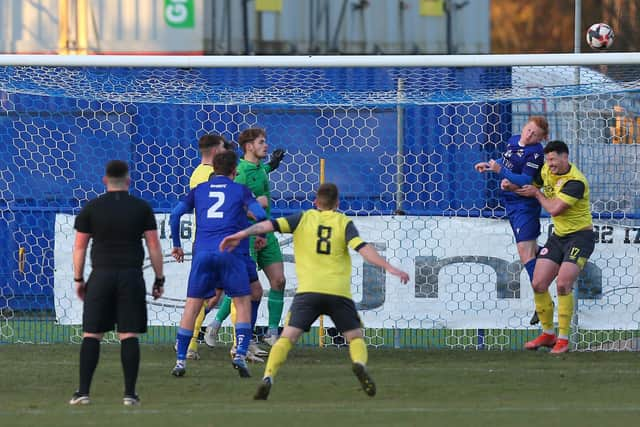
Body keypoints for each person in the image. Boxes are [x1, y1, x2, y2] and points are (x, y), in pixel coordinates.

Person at [219, 183, 410, 400]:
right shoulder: (343, 222)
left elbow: (266, 226)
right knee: (355, 337)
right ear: (337, 204)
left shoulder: (302, 218)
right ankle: (358, 364)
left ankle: (268, 377)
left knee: (287, 338)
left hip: (308, 293)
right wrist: (390, 268)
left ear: (315, 202)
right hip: (338, 293)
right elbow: (363, 248)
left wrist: (241, 234)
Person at [69, 160, 165, 406]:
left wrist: (79, 279)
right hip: (131, 276)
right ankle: (130, 394)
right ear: (128, 181)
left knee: (92, 334)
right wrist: (159, 278)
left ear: (105, 180)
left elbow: (79, 247)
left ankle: (82, 393)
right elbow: (153, 245)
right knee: (128, 334)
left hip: (101, 276)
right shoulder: (141, 208)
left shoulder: (92, 208)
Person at [170, 150, 267, 378]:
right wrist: (260, 233)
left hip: (203, 253)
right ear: (235, 170)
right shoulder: (240, 190)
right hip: (231, 253)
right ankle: (240, 354)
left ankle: (181, 360)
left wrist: (177, 244)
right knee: (243, 302)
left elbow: (175, 215)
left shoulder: (199, 190)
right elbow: (260, 214)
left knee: (192, 306)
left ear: (213, 170)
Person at [205, 127, 286, 346]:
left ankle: (271, 333)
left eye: (265, 141)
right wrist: (255, 206)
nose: (266, 145)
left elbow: (261, 173)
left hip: (265, 232)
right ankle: (217, 325)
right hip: (246, 234)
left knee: (279, 281)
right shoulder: (239, 171)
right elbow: (233, 203)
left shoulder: (259, 168)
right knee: (243, 287)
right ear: (249, 146)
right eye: (261, 142)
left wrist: (273, 165)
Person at [516, 140, 595, 354]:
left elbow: (554, 209)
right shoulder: (545, 171)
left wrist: (537, 194)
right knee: (538, 283)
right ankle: (548, 334)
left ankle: (563, 339)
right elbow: (527, 182)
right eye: (547, 159)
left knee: (562, 284)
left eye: (553, 159)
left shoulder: (575, 181)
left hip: (581, 237)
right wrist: (508, 182)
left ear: (565, 157)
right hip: (559, 237)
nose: (550, 164)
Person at [474, 116, 549, 325]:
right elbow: (506, 162)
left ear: (541, 138)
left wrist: (502, 172)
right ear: (524, 127)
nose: (529, 134)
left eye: (535, 134)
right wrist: (491, 165)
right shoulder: (513, 140)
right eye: (528, 130)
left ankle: (542, 304)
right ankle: (555, 258)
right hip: (511, 201)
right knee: (530, 251)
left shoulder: (536, 152)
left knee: (525, 253)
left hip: (524, 204)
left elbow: (525, 179)